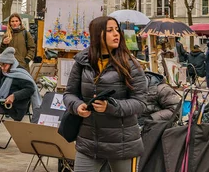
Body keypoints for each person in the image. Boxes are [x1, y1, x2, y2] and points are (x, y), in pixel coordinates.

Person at [63, 16, 147, 172]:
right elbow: (69, 94)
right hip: (89, 143)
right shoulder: (82, 62)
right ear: (97, 34)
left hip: (122, 145)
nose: (116, 34)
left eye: (117, 30)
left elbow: (140, 103)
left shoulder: (130, 64)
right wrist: (77, 106)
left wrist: (111, 107)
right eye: (109, 30)